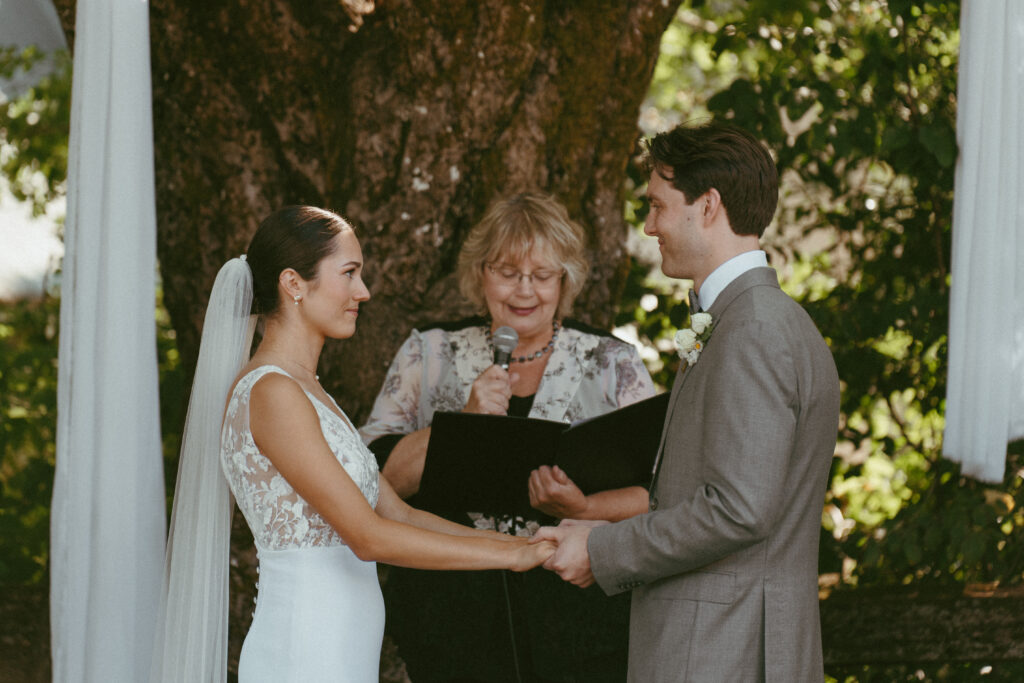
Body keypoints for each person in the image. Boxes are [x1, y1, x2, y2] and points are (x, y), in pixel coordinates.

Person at [150, 206, 555, 683]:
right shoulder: (272, 393)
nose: (363, 292)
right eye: (349, 274)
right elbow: (367, 537)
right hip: (304, 648)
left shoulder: (308, 390)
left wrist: (519, 543)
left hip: (341, 647)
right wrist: (512, 558)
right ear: (293, 284)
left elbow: (398, 514)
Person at [534, 122, 841, 682]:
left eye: (657, 205)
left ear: (708, 205)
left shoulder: (753, 329)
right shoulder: (759, 320)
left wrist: (604, 549)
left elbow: (737, 509)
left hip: (725, 651)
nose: (649, 226)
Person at [359, 192, 656, 682]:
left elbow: (659, 496)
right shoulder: (429, 353)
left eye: (541, 276)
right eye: (506, 272)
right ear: (480, 272)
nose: (524, 291)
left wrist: (583, 507)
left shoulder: (612, 363)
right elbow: (372, 484)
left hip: (579, 620)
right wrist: (463, 425)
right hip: (451, 615)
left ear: (566, 279)